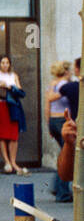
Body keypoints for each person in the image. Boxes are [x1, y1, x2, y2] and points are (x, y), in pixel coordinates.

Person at [0, 54, 28, 174]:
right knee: (2, 133)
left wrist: (12, 87)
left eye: (7, 63)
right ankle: (6, 162)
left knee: (13, 134)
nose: (5, 65)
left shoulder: (14, 75)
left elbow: (20, 90)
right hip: (0, 104)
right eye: (2, 63)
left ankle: (13, 162)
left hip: (13, 105)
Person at [46, 59, 73, 202]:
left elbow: (47, 105)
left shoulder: (51, 85)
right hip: (62, 120)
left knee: (64, 154)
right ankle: (61, 191)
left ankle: (58, 187)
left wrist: (48, 124)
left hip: (53, 120)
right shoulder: (64, 85)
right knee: (67, 156)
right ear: (66, 72)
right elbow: (52, 99)